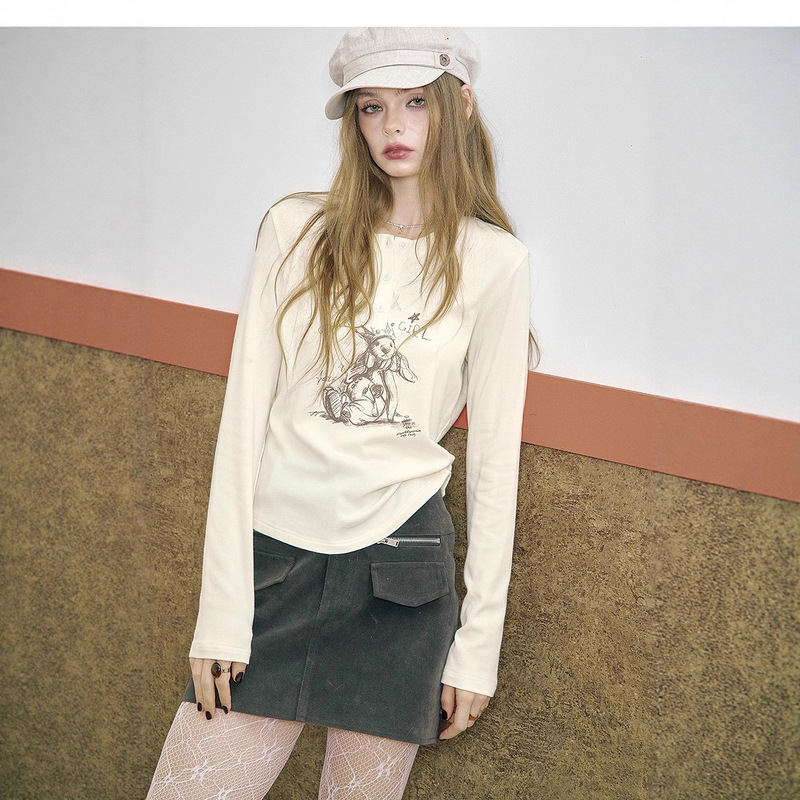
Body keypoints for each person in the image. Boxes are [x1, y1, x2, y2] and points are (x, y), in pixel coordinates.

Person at [147, 27, 533, 799]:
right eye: (371, 107)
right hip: (275, 564)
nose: (393, 127)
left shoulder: (495, 261)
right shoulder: (295, 229)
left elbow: (495, 465)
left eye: (416, 102)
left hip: (401, 577)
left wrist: (477, 649)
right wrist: (221, 613)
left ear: (460, 106)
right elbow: (242, 421)